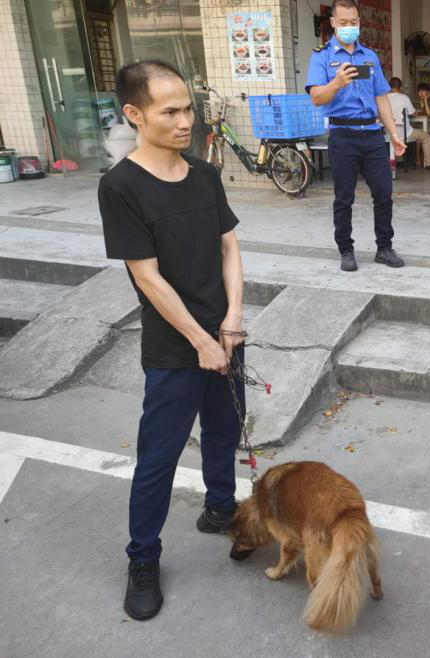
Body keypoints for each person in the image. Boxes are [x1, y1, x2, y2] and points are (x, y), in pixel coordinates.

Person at [97, 60, 246, 621]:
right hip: (174, 348)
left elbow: (229, 247)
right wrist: (200, 341)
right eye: (171, 112)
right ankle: (143, 559)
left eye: (188, 109)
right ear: (135, 114)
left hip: (225, 336)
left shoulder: (205, 175)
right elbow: (147, 277)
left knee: (224, 432)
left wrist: (233, 318)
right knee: (157, 459)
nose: (186, 121)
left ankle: (220, 508)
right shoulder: (121, 186)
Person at [306, 0, 406, 273]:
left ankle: (384, 248)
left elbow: (381, 97)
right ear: (333, 23)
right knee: (344, 197)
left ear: (359, 22)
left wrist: (394, 134)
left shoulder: (370, 56)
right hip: (343, 135)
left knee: (384, 194)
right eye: (344, 22)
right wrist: (336, 83)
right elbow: (316, 97)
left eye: (354, 22)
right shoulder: (321, 56)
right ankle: (346, 250)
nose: (349, 27)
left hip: (372, 135)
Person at [387, 77, 430, 169]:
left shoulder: (383, 98)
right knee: (426, 137)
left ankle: (399, 160)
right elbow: (413, 113)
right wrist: (415, 113)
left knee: (399, 136)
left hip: (389, 133)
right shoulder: (404, 98)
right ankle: (429, 163)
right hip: (405, 133)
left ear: (388, 86)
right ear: (401, 87)